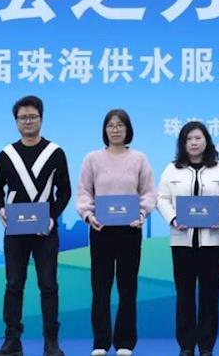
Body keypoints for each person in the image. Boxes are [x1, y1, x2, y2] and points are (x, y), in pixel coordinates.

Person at [0, 95, 72, 356]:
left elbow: (65, 191)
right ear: (16, 121)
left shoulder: (55, 153)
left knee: (48, 285)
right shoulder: (7, 154)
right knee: (14, 285)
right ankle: (12, 340)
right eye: (22, 117)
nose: (27, 121)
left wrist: (53, 216)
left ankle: (51, 342)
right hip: (15, 231)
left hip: (45, 231)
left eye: (32, 116)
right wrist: (1, 209)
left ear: (41, 119)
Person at [76, 109, 157, 356]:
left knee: (127, 287)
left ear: (128, 129)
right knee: (100, 288)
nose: (115, 129)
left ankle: (125, 342)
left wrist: (141, 214)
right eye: (110, 125)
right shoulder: (92, 159)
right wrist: (88, 215)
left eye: (120, 125)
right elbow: (84, 192)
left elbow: (148, 192)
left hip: (130, 230)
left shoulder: (139, 159)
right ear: (104, 130)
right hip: (100, 230)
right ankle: (101, 342)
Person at [156, 121, 219, 356]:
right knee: (184, 294)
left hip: (211, 243)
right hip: (182, 242)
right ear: (182, 143)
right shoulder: (172, 169)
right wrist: (173, 219)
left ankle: (206, 345)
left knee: (209, 294)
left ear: (206, 141)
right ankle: (186, 345)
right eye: (188, 139)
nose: (193, 143)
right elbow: (161, 198)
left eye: (198, 138)